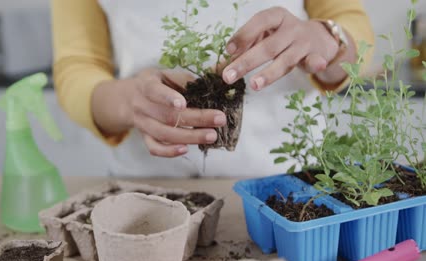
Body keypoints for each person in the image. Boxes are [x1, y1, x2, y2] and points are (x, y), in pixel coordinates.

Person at [51, 0, 374, 178]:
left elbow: (351, 26)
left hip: (289, 174)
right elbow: (77, 64)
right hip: (149, 181)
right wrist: (127, 102)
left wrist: (328, 39)